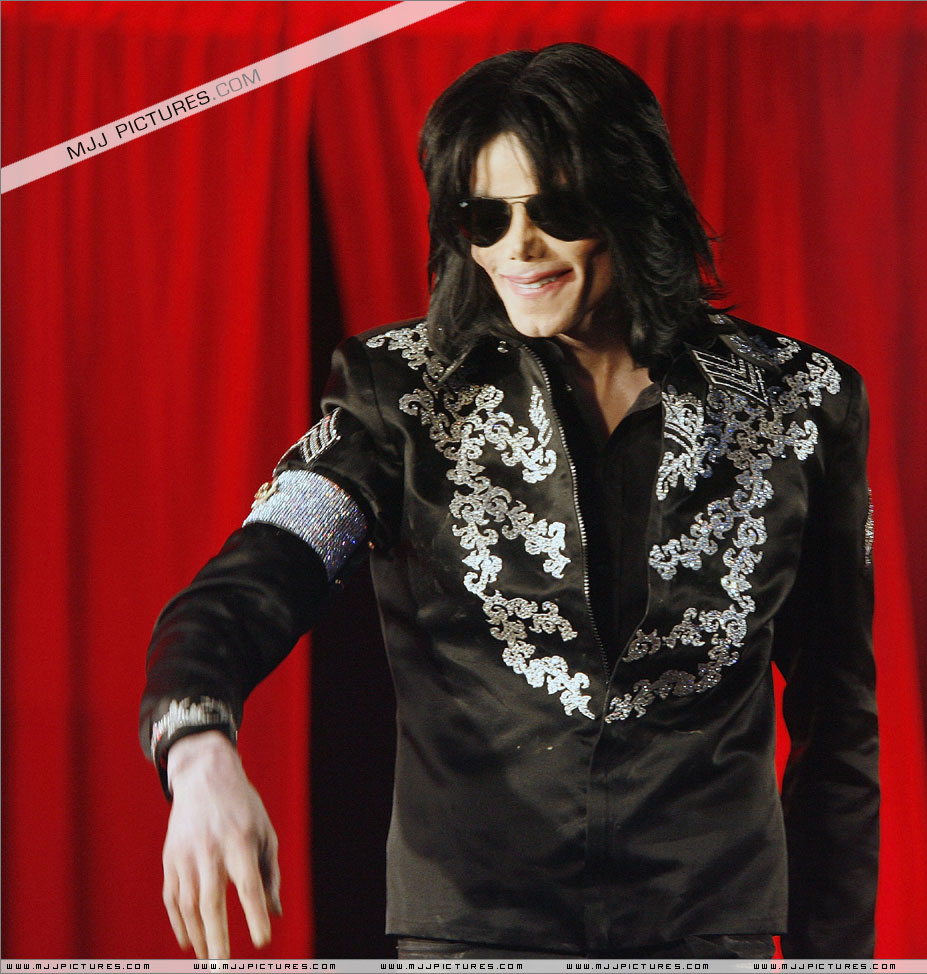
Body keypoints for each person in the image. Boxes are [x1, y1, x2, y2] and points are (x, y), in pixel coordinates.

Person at [140, 42, 878, 961]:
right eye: (485, 218)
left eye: (557, 210)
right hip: (474, 934)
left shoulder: (799, 402)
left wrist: (833, 954)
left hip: (704, 932)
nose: (518, 248)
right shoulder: (399, 396)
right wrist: (198, 743)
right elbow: (258, 575)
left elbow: (839, 725)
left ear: (632, 201)